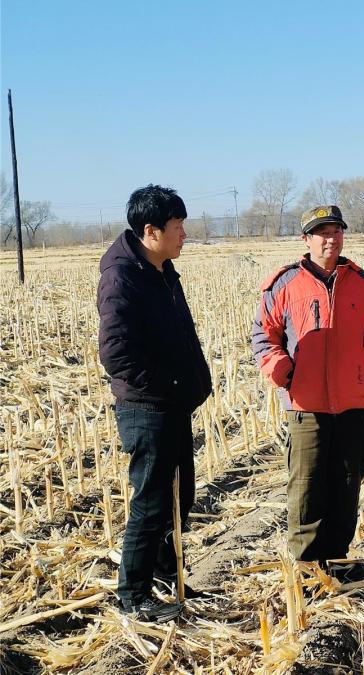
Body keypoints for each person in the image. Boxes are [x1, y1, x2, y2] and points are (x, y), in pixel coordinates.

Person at [252, 205, 364, 565]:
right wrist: (284, 372)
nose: (331, 239)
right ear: (306, 240)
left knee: (347, 483)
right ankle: (307, 566)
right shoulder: (284, 284)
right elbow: (264, 336)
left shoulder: (363, 284)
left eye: (336, 232)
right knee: (306, 487)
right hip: (306, 406)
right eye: (322, 233)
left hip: (353, 403)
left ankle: (337, 560)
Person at [98, 185, 212, 621]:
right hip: (147, 408)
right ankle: (133, 595)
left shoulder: (161, 270)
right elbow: (117, 354)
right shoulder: (122, 278)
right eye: (177, 226)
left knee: (179, 498)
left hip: (171, 404)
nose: (184, 234)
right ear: (151, 231)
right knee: (151, 502)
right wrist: (168, 385)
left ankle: (168, 578)